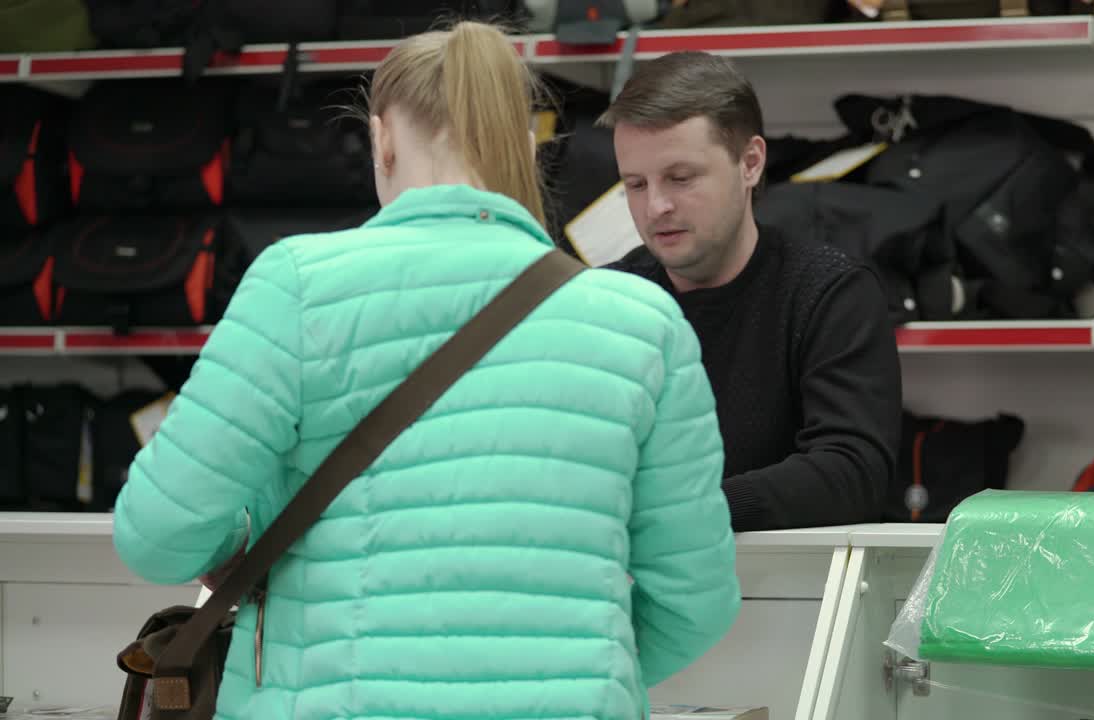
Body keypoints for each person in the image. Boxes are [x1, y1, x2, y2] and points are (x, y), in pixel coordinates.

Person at [112, 22, 740, 720]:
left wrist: (240, 537)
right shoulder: (641, 322)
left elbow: (156, 535)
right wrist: (574, 674)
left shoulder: (297, 286)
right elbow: (697, 600)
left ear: (380, 139)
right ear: (523, 140)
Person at [599, 51, 903, 533]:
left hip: (797, 593)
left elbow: (853, 472)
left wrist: (689, 514)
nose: (656, 206)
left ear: (751, 163)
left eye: (681, 178)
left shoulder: (830, 294)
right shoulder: (607, 302)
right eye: (635, 184)